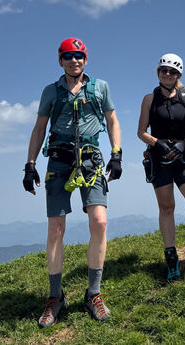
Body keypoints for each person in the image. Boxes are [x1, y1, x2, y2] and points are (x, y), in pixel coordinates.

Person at [23, 37, 123, 326]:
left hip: (91, 158)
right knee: (55, 228)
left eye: (79, 56)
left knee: (100, 222)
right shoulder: (51, 92)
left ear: (86, 59)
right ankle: (56, 297)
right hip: (59, 159)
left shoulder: (100, 88)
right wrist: (30, 165)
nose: (74, 60)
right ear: (60, 60)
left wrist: (117, 153)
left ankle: (93, 293)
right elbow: (40, 127)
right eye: (68, 56)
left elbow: (113, 120)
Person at [137, 53, 185, 281]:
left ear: (179, 74)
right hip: (159, 158)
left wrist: (184, 144)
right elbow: (141, 131)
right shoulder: (149, 99)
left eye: (172, 71)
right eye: (164, 70)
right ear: (158, 72)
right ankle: (172, 259)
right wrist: (157, 143)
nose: (167, 74)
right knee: (167, 207)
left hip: (183, 157)